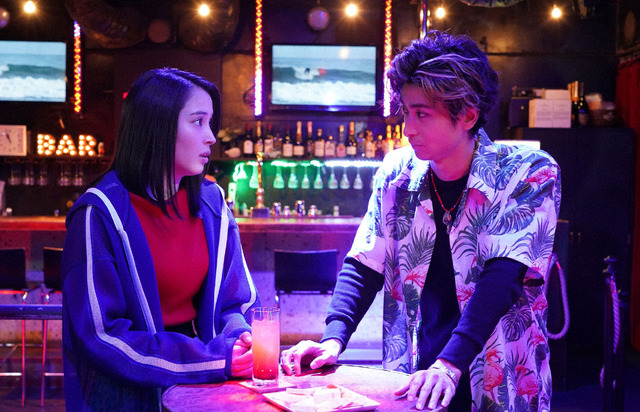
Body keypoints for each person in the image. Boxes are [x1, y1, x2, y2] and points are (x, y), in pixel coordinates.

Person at [281, 31, 560, 411]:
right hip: (416, 375)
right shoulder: (397, 173)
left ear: (467, 115)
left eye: (422, 114)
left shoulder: (526, 172)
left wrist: (450, 364)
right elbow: (365, 261)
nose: (408, 128)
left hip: (501, 376)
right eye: (406, 113)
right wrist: (332, 339)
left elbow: (504, 275)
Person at [61, 68, 260, 410]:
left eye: (210, 123)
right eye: (198, 122)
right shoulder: (99, 213)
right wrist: (210, 359)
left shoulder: (212, 203)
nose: (211, 137)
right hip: (125, 393)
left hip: (203, 383)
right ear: (158, 127)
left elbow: (233, 303)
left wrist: (238, 340)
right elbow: (101, 335)